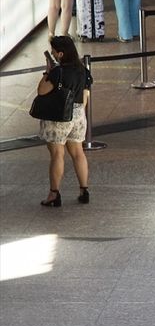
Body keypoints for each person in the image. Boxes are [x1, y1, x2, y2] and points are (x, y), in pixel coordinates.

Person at [36, 36, 92, 207]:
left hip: (59, 117)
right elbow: (85, 95)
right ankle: (84, 190)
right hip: (78, 115)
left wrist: (47, 71)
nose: (52, 53)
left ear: (60, 54)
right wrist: (79, 113)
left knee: (57, 155)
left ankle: (54, 194)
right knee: (78, 153)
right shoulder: (83, 70)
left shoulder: (57, 72)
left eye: (53, 51)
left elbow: (41, 91)